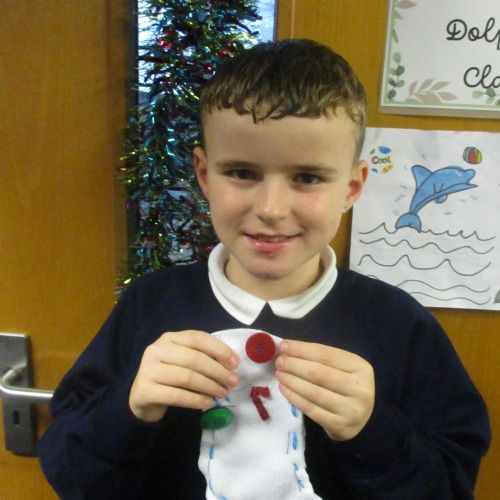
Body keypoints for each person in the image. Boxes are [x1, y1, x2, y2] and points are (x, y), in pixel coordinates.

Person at [38, 39, 490, 499]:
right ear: (204, 174)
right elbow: (70, 471)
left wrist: (373, 431)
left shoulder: (398, 324)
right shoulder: (150, 305)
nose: (271, 209)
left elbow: (451, 485)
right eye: (242, 173)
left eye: (307, 178)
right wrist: (129, 408)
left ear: (352, 187)